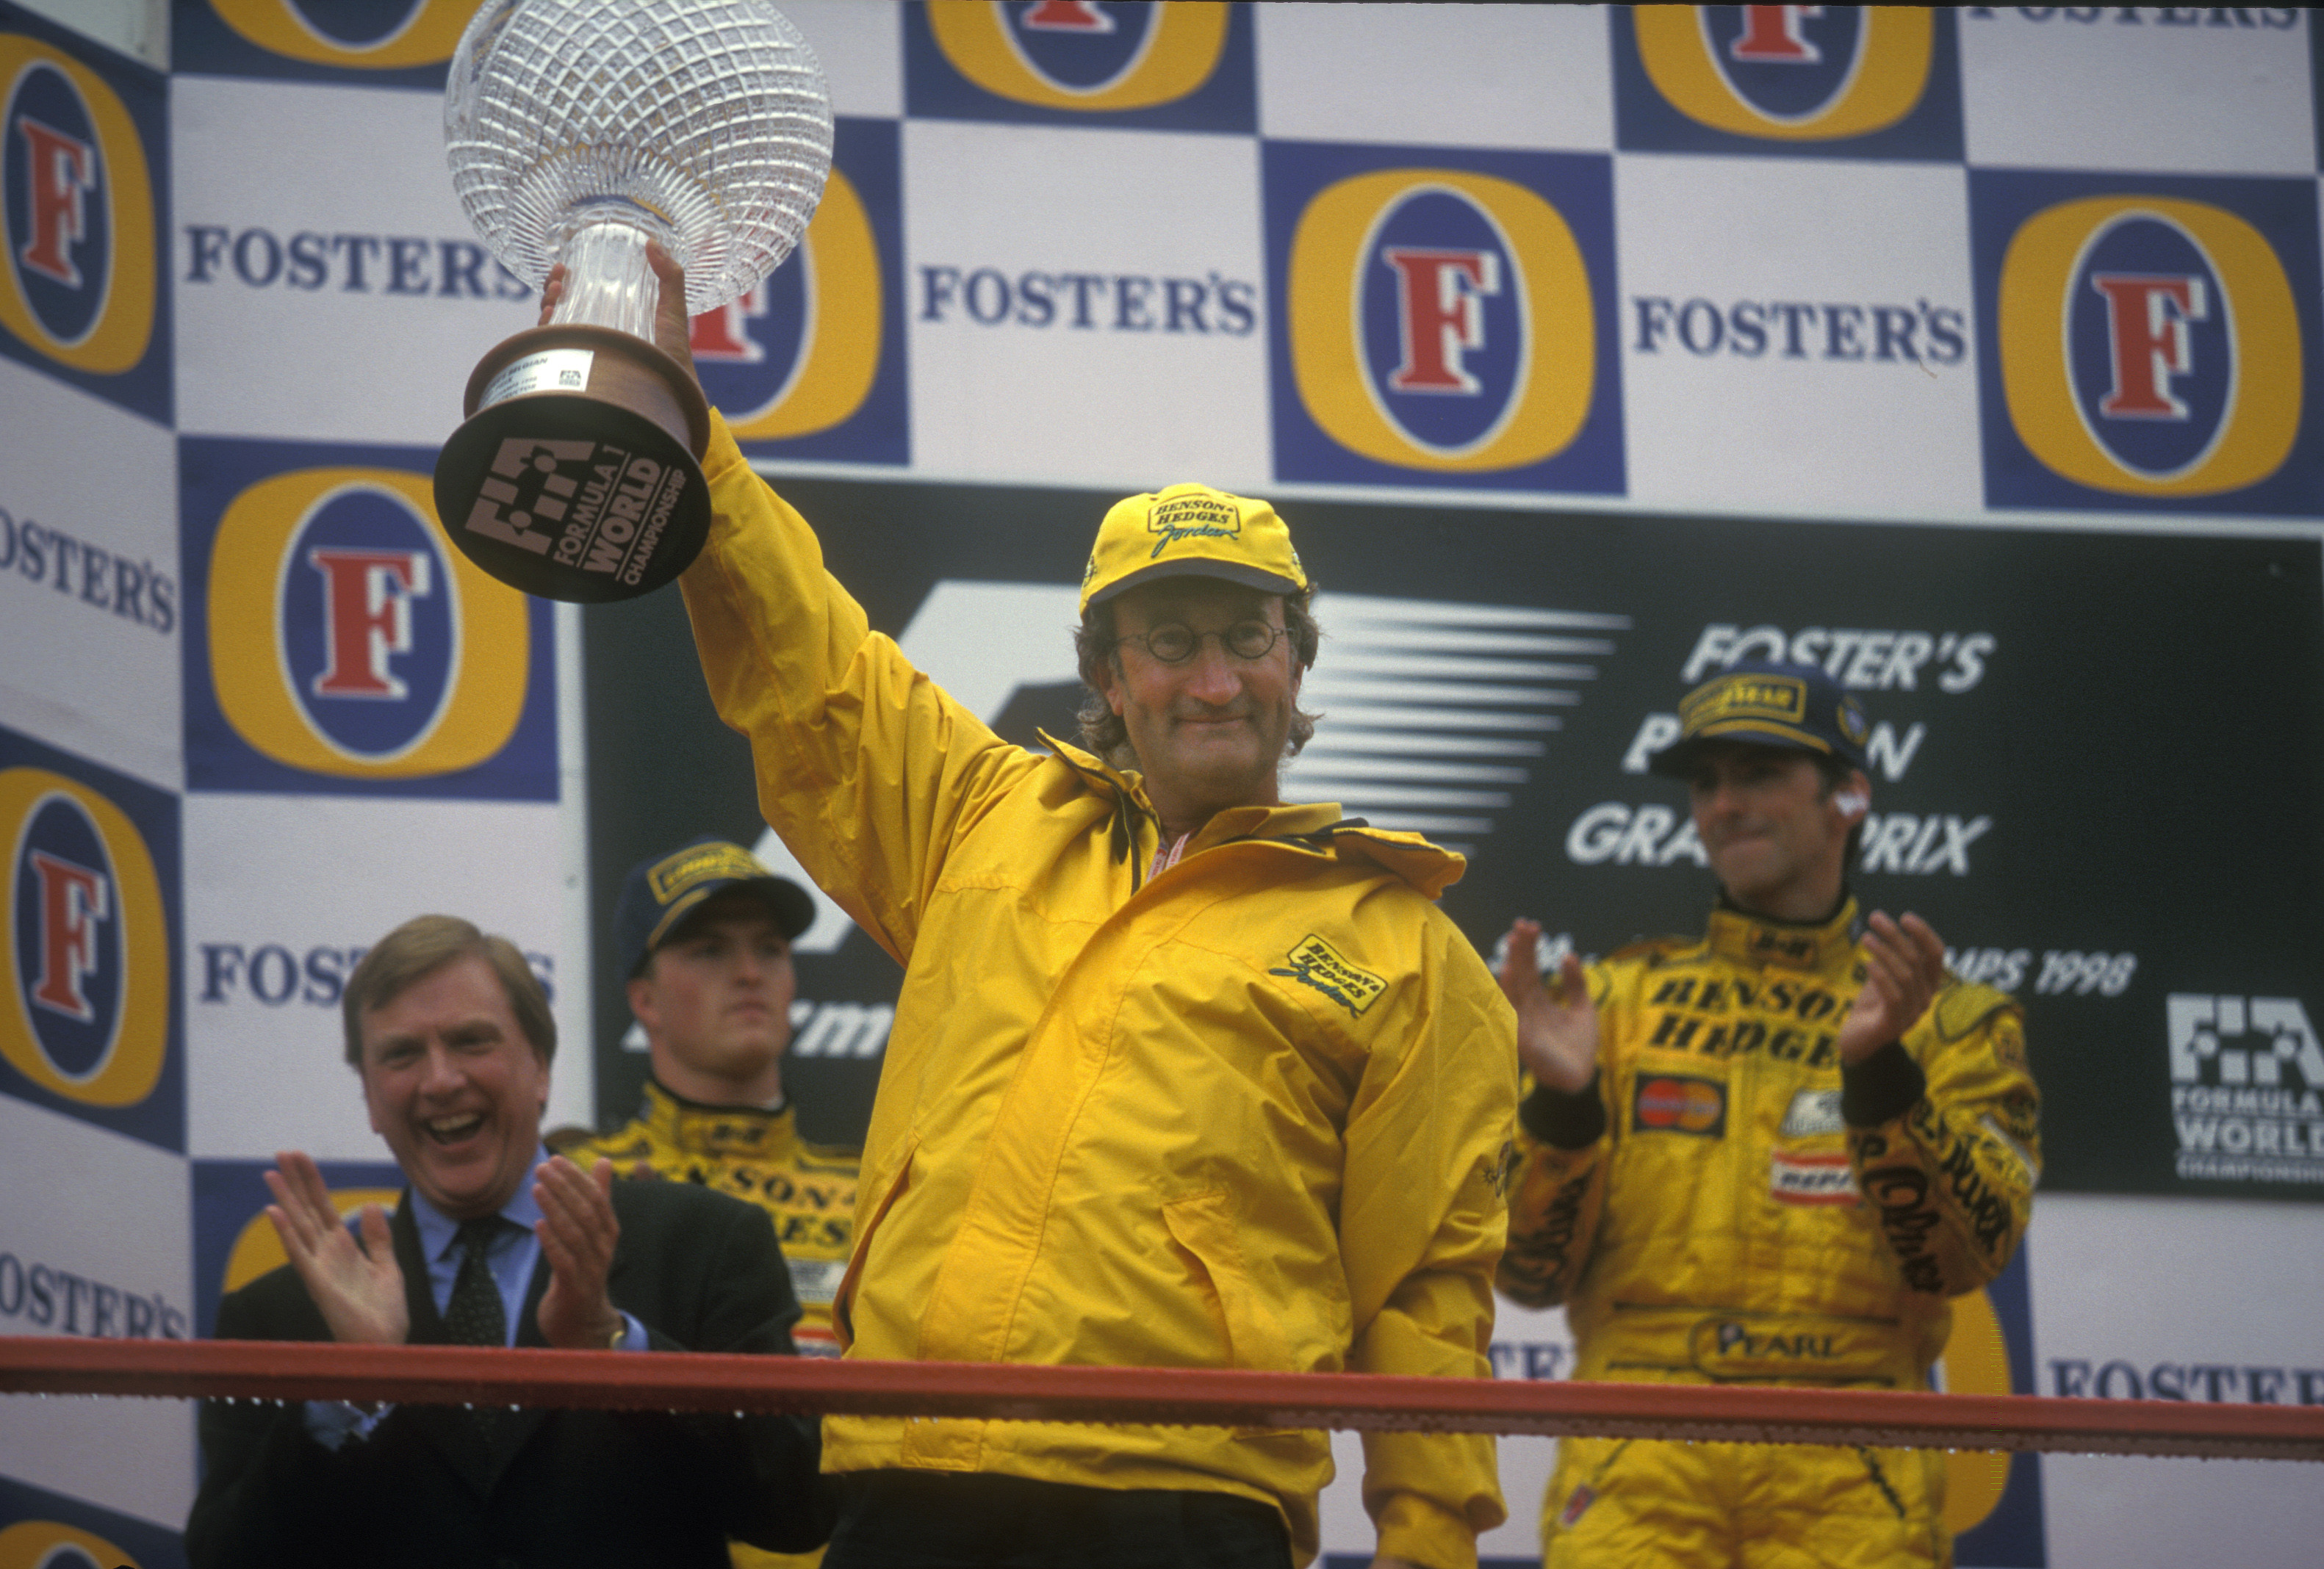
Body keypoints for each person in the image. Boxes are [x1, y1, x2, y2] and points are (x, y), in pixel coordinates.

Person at [555, 248, 1517, 1569]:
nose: (1216, 679)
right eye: (1169, 643)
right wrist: (688, 428)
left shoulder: (1405, 947)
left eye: (1248, 637)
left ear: (1298, 666)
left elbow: (1427, 1284)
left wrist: (1425, 1540)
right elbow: (808, 664)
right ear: (1109, 680)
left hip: (1184, 1493)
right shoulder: (982, 814)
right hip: (908, 1465)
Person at [1494, 660, 2041, 1568]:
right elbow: (1526, 1276)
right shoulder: (1612, 1005)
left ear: (1849, 796)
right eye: (1706, 782)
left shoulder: (1951, 1021)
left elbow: (1964, 1256)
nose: (1724, 804)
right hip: (1640, 1445)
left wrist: (1880, 1079)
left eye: (1758, 774)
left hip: (1854, 1451)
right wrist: (1563, 1109)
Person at [186, 914, 831, 1569]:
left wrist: (614, 1348)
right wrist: (354, 1387)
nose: (440, 1080)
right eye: (402, 1054)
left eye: (471, 1041)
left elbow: (796, 1508)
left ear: (541, 1069)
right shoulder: (278, 1314)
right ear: (372, 1099)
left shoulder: (703, 1243)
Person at [555, 838, 859, 1362]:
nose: (748, 973)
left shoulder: (870, 1192)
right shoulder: (586, 1186)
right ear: (644, 999)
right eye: (710, 950)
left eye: (769, 949)